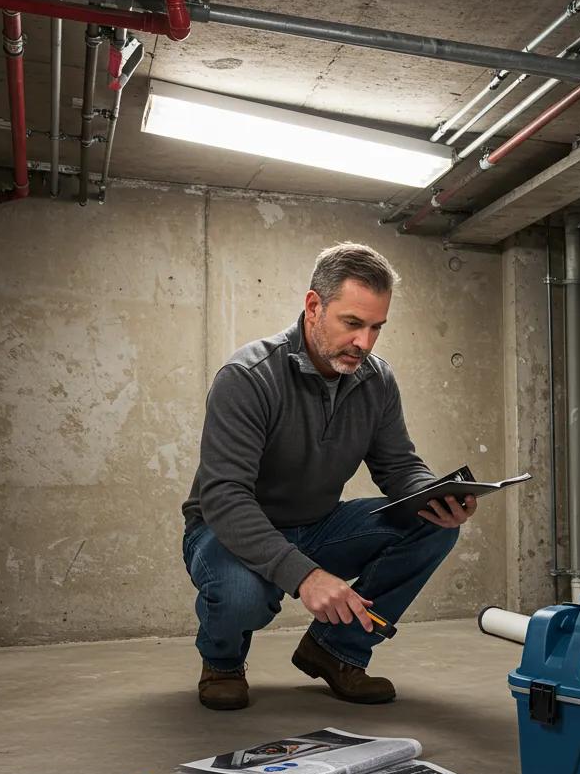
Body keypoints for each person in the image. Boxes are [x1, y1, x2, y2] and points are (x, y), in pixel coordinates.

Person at [181, 242, 476, 710]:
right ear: (314, 306)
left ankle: (336, 651)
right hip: (225, 531)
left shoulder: (377, 380)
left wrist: (434, 495)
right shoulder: (248, 377)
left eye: (376, 327)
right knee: (241, 593)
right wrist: (306, 576)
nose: (365, 342)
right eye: (353, 323)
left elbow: (398, 465)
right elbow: (225, 499)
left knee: (431, 526)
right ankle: (222, 661)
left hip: (317, 525)